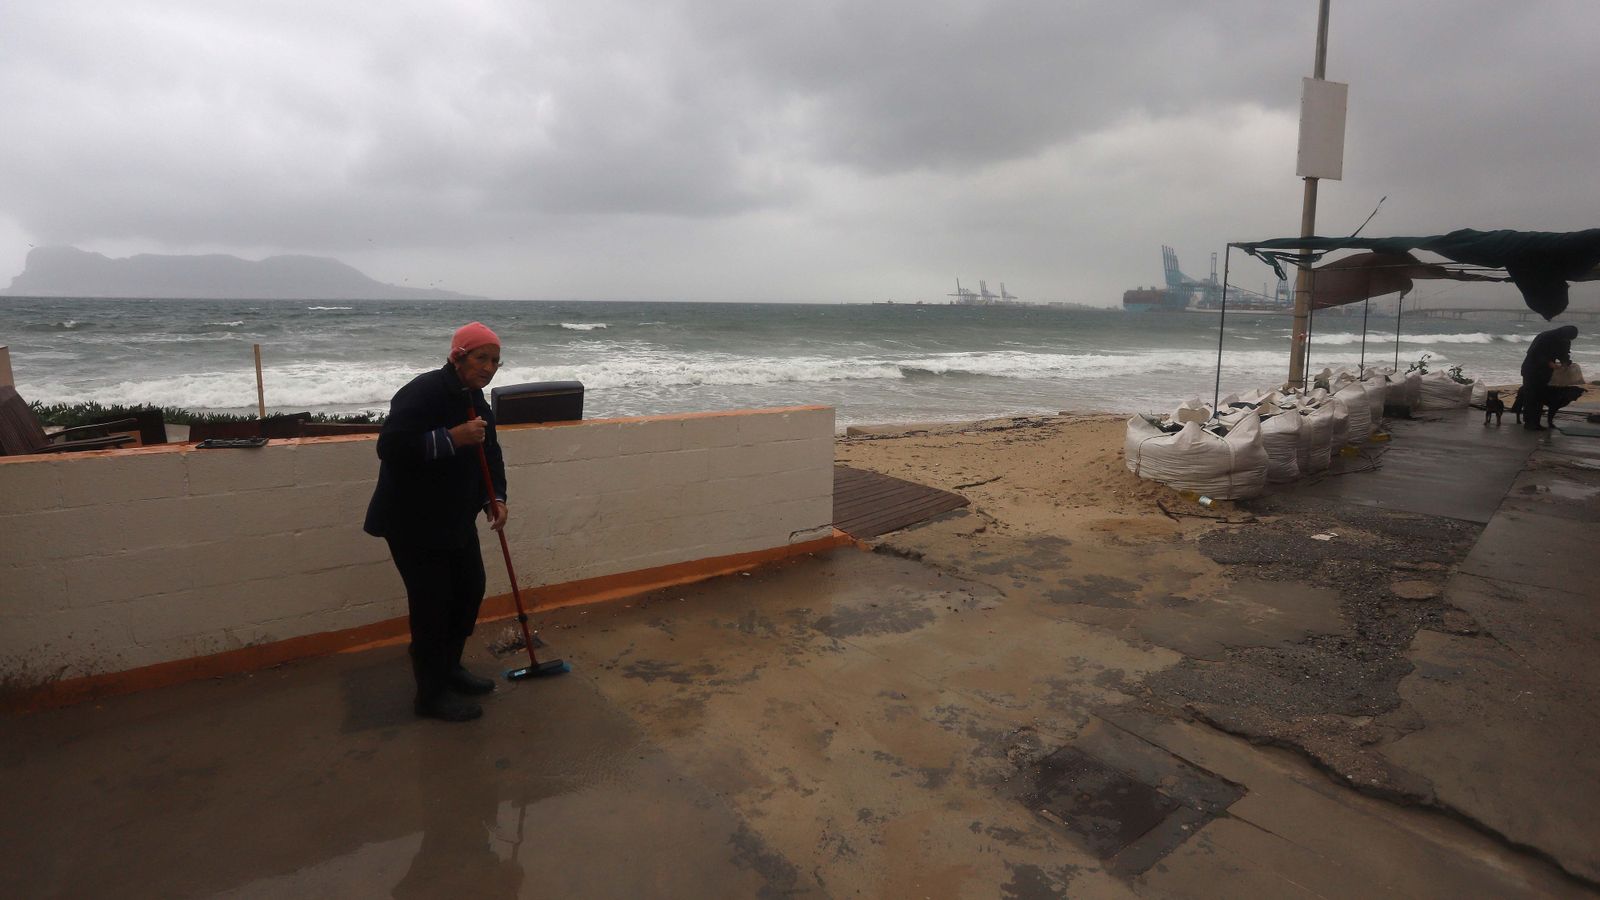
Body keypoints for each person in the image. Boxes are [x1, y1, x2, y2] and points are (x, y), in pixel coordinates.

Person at [364, 322, 509, 721]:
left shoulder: (476, 400)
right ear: (458, 356)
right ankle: (429, 696)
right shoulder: (423, 391)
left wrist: (495, 498)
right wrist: (453, 437)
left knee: (469, 590)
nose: (489, 368)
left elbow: (490, 454)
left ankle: (449, 668)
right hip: (411, 521)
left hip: (454, 518)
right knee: (431, 606)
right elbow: (390, 447)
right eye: (481, 358)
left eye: (495, 361)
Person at [1518, 324, 1579, 431]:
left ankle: (1536, 422)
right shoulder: (1544, 337)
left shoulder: (1564, 340)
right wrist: (1549, 363)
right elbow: (1533, 353)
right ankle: (1529, 423)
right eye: (1566, 338)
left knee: (1540, 396)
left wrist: (1565, 363)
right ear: (1562, 333)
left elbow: (1564, 354)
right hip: (1531, 370)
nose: (1567, 340)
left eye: (1569, 339)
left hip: (1545, 372)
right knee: (1531, 396)